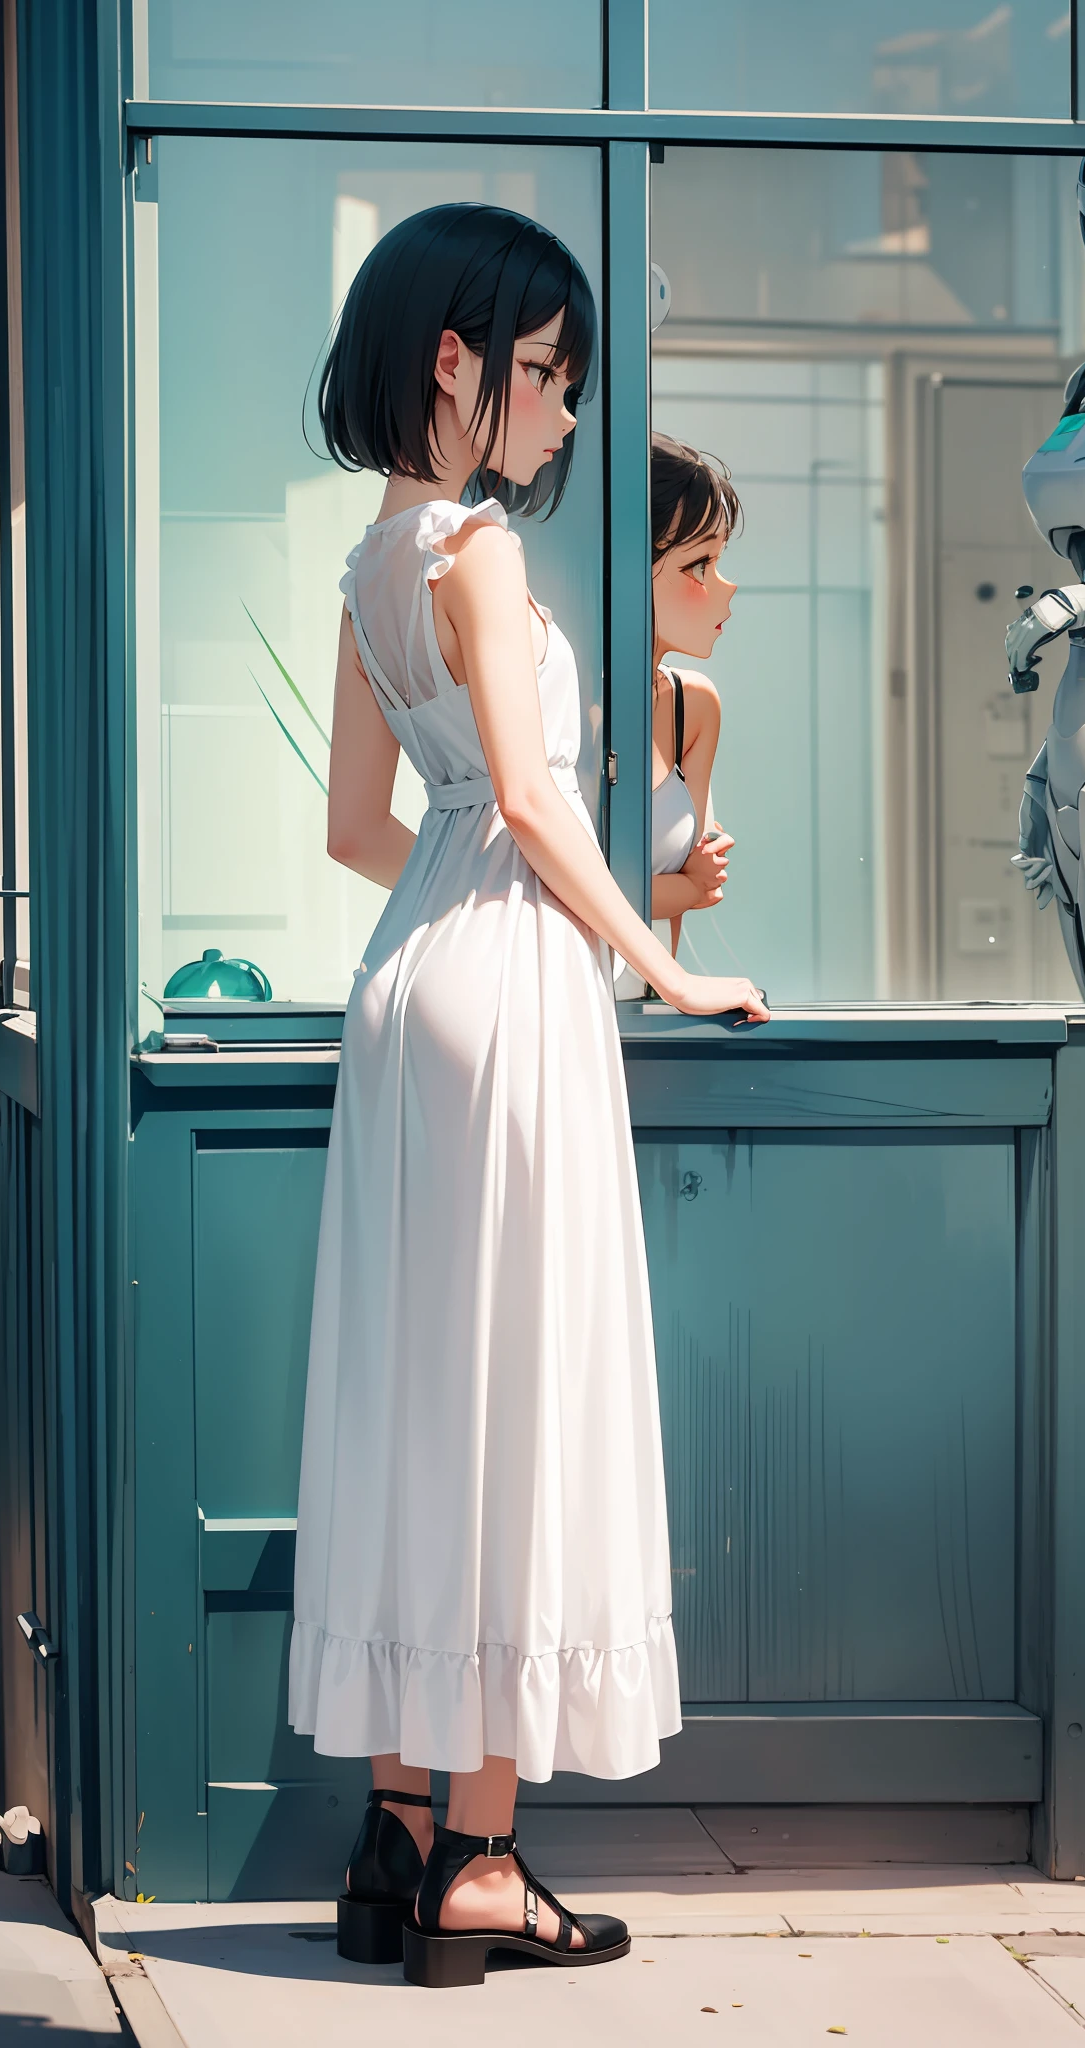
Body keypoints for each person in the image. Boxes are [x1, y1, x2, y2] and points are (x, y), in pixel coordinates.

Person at [287, 202, 768, 1990]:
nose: (565, 414)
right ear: (456, 363)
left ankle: (393, 1825)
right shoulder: (475, 546)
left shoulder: (370, 559)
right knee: (514, 1398)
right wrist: (662, 960)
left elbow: (356, 827)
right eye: (549, 374)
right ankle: (479, 1861)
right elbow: (535, 790)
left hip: (407, 980)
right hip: (509, 982)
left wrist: (459, 879)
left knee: (420, 1393)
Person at [647, 431, 740, 955]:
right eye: (699, 565)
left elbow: (701, 866)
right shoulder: (563, 700)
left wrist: (688, 885)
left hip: (646, 1001)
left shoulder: (693, 705)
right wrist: (686, 886)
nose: (726, 587)